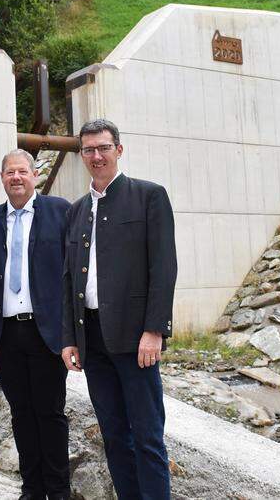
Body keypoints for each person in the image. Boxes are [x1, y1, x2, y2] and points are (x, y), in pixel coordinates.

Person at [61, 119, 177, 500]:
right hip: (92, 339)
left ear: (119, 150)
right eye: (89, 150)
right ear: (82, 155)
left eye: (103, 148)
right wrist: (70, 339)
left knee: (147, 437)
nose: (96, 156)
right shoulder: (76, 210)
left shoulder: (149, 196)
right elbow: (69, 280)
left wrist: (154, 329)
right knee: (113, 435)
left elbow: (163, 267)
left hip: (135, 338)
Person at [0, 150, 72, 500]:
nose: (16, 177)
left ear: (34, 175)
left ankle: (59, 490)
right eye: (9, 172)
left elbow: (72, 274)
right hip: (6, 335)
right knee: (21, 414)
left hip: (46, 334)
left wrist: (71, 334)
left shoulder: (60, 211)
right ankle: (31, 488)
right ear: (1, 178)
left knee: (50, 413)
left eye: (22, 171)